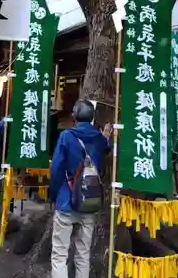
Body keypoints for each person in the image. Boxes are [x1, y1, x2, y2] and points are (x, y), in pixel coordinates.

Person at [49, 99, 112, 278]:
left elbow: (56, 170)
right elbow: (105, 150)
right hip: (90, 202)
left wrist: (53, 196)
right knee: (83, 254)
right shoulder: (99, 139)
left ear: (74, 116)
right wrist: (105, 138)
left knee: (60, 254)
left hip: (66, 202)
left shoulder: (66, 137)